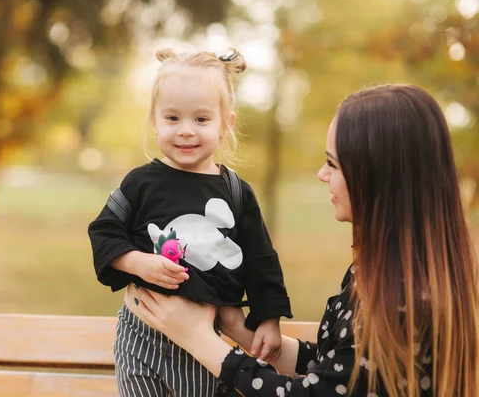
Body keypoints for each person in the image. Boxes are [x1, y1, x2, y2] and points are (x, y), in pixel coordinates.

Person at [133, 84, 479, 396]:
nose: (321, 174)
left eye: (333, 164)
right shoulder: (388, 273)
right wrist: (240, 331)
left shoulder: (406, 299)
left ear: (377, 178)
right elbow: (338, 371)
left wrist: (197, 339)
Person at [88, 47, 293, 396]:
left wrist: (269, 318)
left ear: (225, 124)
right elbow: (104, 231)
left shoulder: (235, 191)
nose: (185, 131)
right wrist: (137, 262)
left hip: (206, 339)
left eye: (200, 119)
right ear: (154, 120)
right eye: (172, 118)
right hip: (143, 330)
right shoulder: (140, 183)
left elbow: (262, 261)